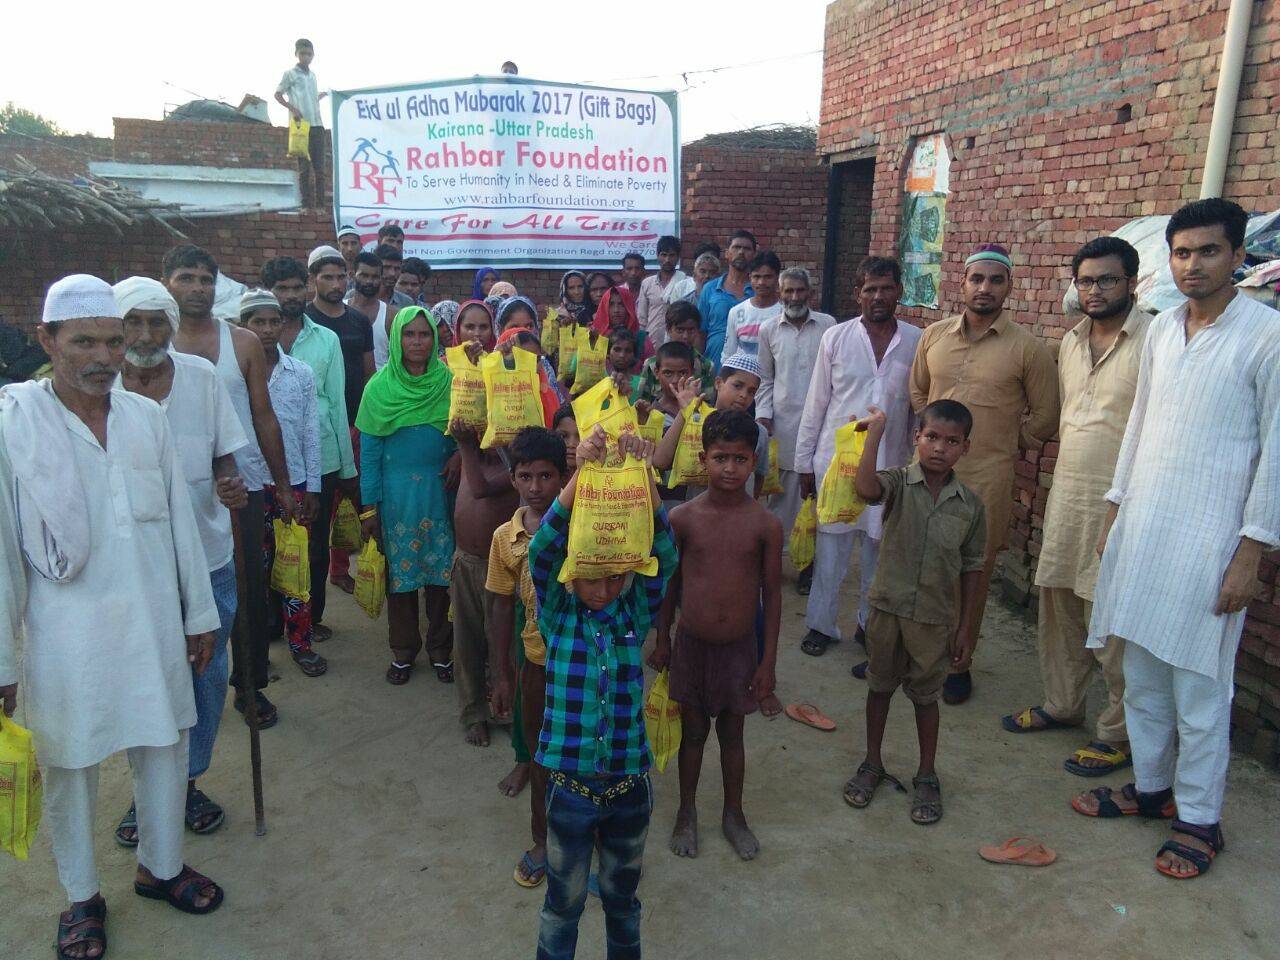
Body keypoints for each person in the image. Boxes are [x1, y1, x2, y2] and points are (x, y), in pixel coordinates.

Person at [0, 276, 225, 960]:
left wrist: (199, 614)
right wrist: (4, 664)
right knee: (70, 765)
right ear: (47, 340)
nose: (104, 355)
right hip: (65, 637)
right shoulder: (14, 424)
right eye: (84, 341)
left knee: (164, 747)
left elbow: (182, 526)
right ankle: (82, 897)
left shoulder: (144, 418)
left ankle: (160, 868)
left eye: (112, 339)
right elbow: (2, 551)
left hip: (155, 619)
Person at [1075, 199, 1280, 880]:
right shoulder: (1162, 331)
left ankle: (1200, 820)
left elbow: (1276, 454)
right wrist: (1116, 511)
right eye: (1182, 253)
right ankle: (1153, 791)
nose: (1192, 265)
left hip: (1212, 541)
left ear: (1237, 255)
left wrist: (1252, 551)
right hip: (1148, 526)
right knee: (1142, 677)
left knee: (1199, 689)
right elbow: (1140, 428)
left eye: (1208, 252)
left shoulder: (1267, 336)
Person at [528, 423, 676, 960]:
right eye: (593, 575)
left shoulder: (633, 614)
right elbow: (543, 547)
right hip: (569, 789)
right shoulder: (560, 614)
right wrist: (583, 473)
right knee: (562, 905)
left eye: (616, 576)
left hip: (628, 789)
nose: (604, 587)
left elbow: (664, 551)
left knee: (622, 902)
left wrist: (645, 476)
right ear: (573, 572)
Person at [1001, 237, 1147, 777]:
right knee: (1058, 602)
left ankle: (1118, 734)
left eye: (1107, 279)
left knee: (1110, 619)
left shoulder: (1154, 340)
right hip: (1067, 497)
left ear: (1132, 282)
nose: (1095, 290)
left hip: (1123, 504)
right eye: (1086, 281)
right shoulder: (1070, 342)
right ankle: (1063, 706)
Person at [111, 276, 248, 848]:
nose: (146, 335)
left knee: (208, 677)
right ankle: (148, 791)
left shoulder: (201, 378)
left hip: (208, 554)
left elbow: (223, 456)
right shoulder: (102, 390)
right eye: (133, 323)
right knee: (143, 679)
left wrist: (229, 483)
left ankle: (187, 781)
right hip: (132, 566)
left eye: (156, 322)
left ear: (171, 326)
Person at [908, 243, 1059, 704]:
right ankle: (913, 655)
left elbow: (1046, 417)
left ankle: (959, 663)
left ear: (1009, 286)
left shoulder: (1027, 349)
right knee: (919, 565)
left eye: (995, 280)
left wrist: (1006, 444)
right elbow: (918, 391)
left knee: (971, 575)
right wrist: (932, 443)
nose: (985, 288)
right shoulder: (934, 336)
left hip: (986, 481)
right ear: (962, 282)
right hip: (926, 479)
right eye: (977, 279)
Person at [167, 245, 295, 727]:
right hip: (174, 490)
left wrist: (281, 483)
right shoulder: (152, 342)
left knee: (246, 589)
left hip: (239, 485)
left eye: (205, 279)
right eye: (186, 278)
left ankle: (249, 684)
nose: (197, 287)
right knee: (179, 588)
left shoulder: (241, 342)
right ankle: (182, 687)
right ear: (168, 285)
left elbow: (264, 415)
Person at [844, 400, 986, 825]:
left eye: (952, 441)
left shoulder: (970, 506)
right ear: (917, 439)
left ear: (965, 448)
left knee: (927, 697)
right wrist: (874, 434)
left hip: (934, 618)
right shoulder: (900, 483)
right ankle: (872, 763)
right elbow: (865, 490)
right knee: (880, 687)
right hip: (887, 609)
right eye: (932, 438)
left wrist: (965, 630)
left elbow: (973, 569)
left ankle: (927, 773)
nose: (940, 448)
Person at [653, 409, 782, 861]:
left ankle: (734, 814)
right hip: (691, 643)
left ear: (753, 462)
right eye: (721, 458)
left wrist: (767, 663)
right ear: (703, 458)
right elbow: (670, 583)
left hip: (739, 650)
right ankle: (686, 812)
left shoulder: (765, 524)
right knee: (692, 734)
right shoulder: (684, 518)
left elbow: (772, 596)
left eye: (741, 459)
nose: (730, 469)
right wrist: (663, 638)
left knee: (732, 734)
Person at [795, 257, 921, 665]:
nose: (878, 296)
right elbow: (816, 402)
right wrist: (803, 463)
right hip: (836, 464)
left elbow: (919, 409)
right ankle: (821, 625)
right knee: (830, 547)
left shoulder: (918, 341)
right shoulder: (836, 337)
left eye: (886, 288)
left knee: (878, 552)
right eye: (870, 289)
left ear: (899, 290)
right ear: (858, 294)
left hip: (891, 466)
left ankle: (870, 626)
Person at [486, 427, 569, 889]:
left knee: (581, 753)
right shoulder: (506, 537)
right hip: (535, 661)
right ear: (513, 479)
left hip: (576, 659)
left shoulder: (582, 523)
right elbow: (499, 604)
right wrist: (501, 674)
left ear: (563, 478)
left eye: (546, 476)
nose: (536, 487)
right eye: (525, 476)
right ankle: (541, 838)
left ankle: (585, 833)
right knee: (539, 752)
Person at [358, 307, 457, 686]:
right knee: (399, 579)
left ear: (435, 339)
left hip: (440, 494)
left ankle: (440, 650)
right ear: (397, 339)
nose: (417, 342)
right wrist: (369, 509)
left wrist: (461, 458)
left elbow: (468, 432)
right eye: (409, 334)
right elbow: (368, 455)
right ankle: (403, 652)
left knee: (442, 577)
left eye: (424, 334)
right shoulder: (379, 388)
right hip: (395, 500)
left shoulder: (449, 383)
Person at [237, 289, 326, 677]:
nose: (268, 329)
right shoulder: (234, 376)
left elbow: (310, 431)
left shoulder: (300, 374)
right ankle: (258, 656)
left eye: (274, 321)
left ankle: (301, 644)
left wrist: (313, 488)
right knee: (254, 573)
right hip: (250, 485)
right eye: (258, 322)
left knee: (295, 568)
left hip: (294, 485)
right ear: (244, 327)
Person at [756, 266, 837, 586]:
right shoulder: (768, 330)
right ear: (779, 294)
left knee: (817, 494)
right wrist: (763, 416)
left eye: (799, 291)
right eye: (787, 291)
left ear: (809, 293)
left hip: (823, 423)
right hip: (785, 425)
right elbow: (764, 378)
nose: (793, 297)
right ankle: (774, 562)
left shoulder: (828, 326)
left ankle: (808, 565)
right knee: (782, 499)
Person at [302, 246, 368, 614]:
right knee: (316, 516)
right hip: (318, 430)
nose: (335, 283)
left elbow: (368, 373)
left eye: (341, 276)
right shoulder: (304, 320)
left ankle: (343, 570)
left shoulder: (356, 321)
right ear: (312, 280)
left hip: (356, 423)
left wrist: (362, 422)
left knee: (355, 505)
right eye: (327, 276)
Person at [275, 38, 328, 210]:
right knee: (304, 168)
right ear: (296, 54)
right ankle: (305, 205)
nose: (306, 57)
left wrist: (321, 96)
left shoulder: (312, 76)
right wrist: (293, 109)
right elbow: (278, 94)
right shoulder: (290, 74)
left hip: (317, 124)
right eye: (303, 54)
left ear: (313, 55)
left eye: (309, 54)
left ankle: (321, 206)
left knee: (320, 169)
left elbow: (310, 97)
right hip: (300, 126)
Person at [635, 302, 717, 405]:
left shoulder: (706, 366)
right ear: (669, 330)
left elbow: (708, 404)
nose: (685, 336)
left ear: (697, 331)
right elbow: (642, 402)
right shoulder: (652, 364)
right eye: (680, 330)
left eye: (691, 330)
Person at [698, 230, 756, 365]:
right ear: (727, 253)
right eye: (736, 247)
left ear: (754, 255)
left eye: (747, 248)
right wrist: (699, 364)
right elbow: (700, 332)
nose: (741, 252)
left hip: (749, 367)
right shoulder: (710, 289)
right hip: (713, 364)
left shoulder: (758, 290)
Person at [723, 250, 783, 359]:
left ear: (777, 278)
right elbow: (728, 355)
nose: (761, 282)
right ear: (750, 277)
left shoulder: (784, 313)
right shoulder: (736, 312)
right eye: (757, 277)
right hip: (743, 375)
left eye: (767, 277)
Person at [636, 236, 686, 347]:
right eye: (664, 255)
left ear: (678, 257)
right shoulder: (647, 283)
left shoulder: (685, 283)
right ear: (657, 256)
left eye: (672, 255)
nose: (667, 260)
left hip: (677, 344)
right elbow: (642, 319)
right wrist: (642, 344)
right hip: (651, 343)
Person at [346, 251, 390, 370]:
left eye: (375, 277)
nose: (369, 281)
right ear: (353, 275)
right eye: (364, 275)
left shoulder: (391, 315)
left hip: (380, 385)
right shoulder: (339, 309)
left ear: (381, 279)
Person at [375, 242, 414, 309]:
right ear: (375, 267)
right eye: (386, 267)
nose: (392, 273)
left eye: (397, 268)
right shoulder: (355, 297)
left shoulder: (407, 302)